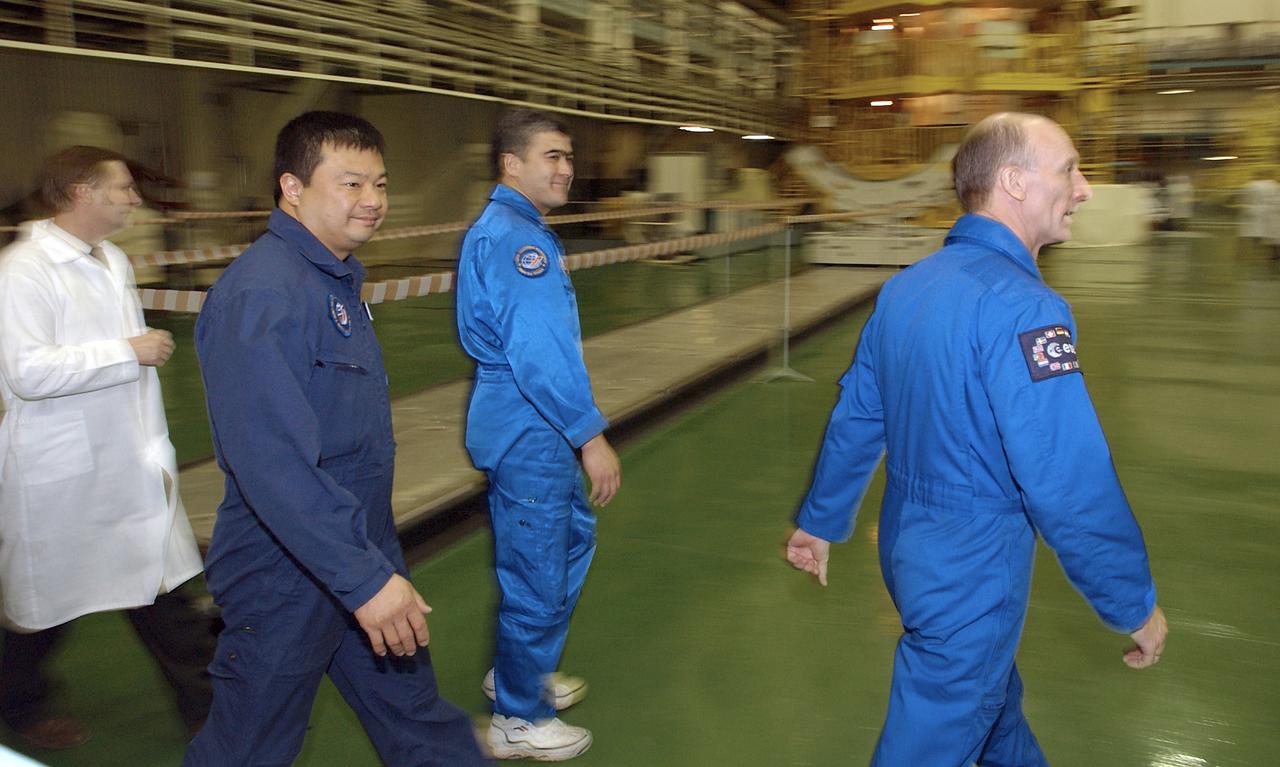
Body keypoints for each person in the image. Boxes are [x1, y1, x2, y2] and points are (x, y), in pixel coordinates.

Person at [785, 113, 1169, 766]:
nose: (1085, 189)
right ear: (1015, 182)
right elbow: (1066, 477)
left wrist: (819, 519)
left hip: (912, 549)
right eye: (1070, 169)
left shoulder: (906, 289)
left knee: (989, 707)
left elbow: (859, 415)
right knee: (937, 727)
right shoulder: (1027, 308)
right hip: (974, 568)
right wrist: (1130, 599)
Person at [184, 112, 488, 766]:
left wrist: (369, 566)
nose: (373, 200)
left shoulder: (334, 280)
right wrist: (362, 579)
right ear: (292, 188)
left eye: (379, 183)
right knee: (249, 748)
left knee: (416, 716)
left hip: (358, 547)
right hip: (286, 569)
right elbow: (270, 461)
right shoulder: (263, 293)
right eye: (350, 184)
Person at [0, 146, 214, 749]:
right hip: (60, 472)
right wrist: (127, 352)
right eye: (121, 187)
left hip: (125, 464)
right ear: (80, 192)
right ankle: (19, 704)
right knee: (44, 609)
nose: (134, 198)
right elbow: (24, 372)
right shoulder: (23, 270)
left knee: (159, 589)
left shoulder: (112, 259)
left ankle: (208, 709)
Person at [456, 107, 621, 761]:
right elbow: (540, 353)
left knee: (564, 544)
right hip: (531, 427)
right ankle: (517, 719)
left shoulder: (519, 229)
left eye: (569, 156)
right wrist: (589, 434)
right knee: (538, 572)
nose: (565, 168)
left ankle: (518, 672)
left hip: (532, 425)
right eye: (551, 155)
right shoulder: (517, 242)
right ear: (512, 164)